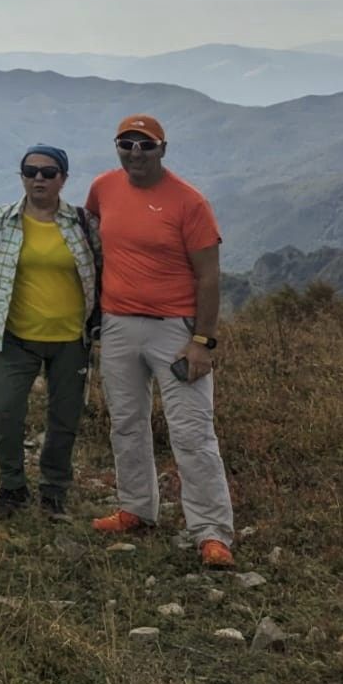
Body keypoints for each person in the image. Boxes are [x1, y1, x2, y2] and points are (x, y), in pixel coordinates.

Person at [85, 114, 236, 568]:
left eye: (145, 145)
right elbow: (94, 242)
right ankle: (136, 508)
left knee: (191, 431)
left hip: (175, 328)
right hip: (117, 323)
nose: (135, 152)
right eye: (126, 143)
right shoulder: (103, 189)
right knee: (126, 423)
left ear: (162, 150)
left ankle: (212, 533)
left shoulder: (189, 203)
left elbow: (209, 277)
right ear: (117, 147)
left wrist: (203, 341)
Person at [0, 145, 100, 517]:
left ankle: (54, 492)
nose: (39, 178)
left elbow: (101, 274)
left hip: (71, 339)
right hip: (15, 337)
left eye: (49, 172)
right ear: (21, 176)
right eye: (30, 171)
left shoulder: (84, 223)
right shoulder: (1, 221)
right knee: (6, 412)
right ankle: (12, 487)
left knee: (64, 418)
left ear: (64, 178)